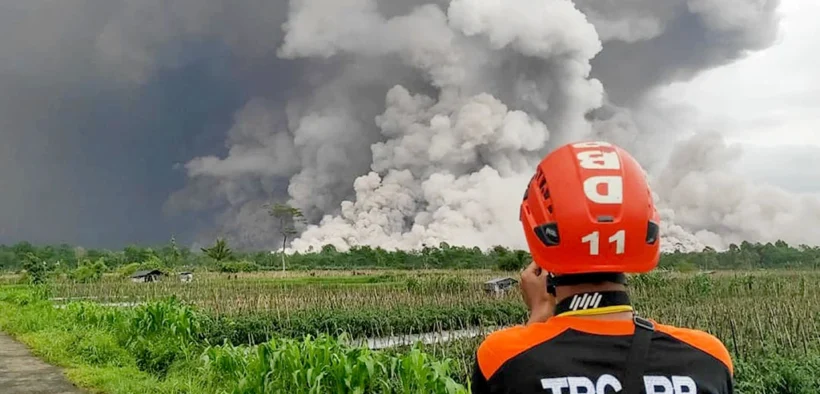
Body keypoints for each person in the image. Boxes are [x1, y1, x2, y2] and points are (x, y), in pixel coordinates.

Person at [470, 141, 734, 394]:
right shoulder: (709, 359)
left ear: (540, 236)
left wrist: (539, 314)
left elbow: (522, 371)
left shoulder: (501, 358)